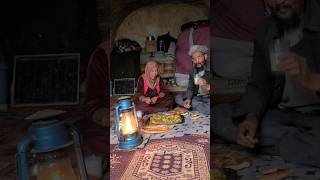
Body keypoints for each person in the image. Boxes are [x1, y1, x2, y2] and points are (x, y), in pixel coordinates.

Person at [213, 0, 320, 167]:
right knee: (218, 115)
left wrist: (312, 79)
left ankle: (282, 145)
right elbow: (259, 83)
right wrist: (251, 117)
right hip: (284, 116)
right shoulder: (267, 29)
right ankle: (296, 143)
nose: (278, 1)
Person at [78, 41, 110, 178]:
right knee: (93, 140)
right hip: (109, 124)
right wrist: (104, 116)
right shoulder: (103, 55)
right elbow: (92, 102)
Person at [175, 45, 210, 114]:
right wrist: (188, 99)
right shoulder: (193, 71)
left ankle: (194, 108)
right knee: (178, 98)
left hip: (209, 99)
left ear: (205, 56)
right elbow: (191, 88)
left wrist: (207, 86)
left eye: (199, 57)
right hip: (198, 98)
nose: (197, 61)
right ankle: (197, 107)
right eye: (194, 59)